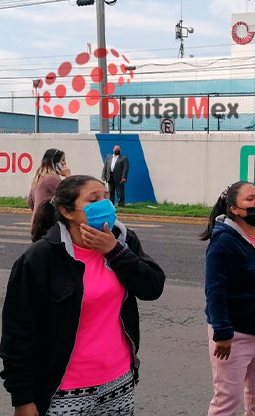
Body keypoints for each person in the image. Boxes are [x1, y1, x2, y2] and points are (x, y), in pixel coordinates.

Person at [1, 175, 165, 416]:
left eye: (106, 197)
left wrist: (115, 252)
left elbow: (153, 287)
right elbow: (18, 334)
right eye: (93, 199)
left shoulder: (123, 240)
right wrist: (23, 399)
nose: (105, 205)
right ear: (68, 212)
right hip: (65, 391)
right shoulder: (41, 257)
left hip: (119, 382)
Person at [200, 181, 255, 416]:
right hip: (234, 335)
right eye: (250, 199)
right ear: (234, 209)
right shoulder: (223, 242)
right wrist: (222, 332)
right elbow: (214, 290)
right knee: (227, 399)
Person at [27, 148, 71, 227]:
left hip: (36, 222)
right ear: (55, 163)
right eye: (63, 160)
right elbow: (69, 195)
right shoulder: (52, 178)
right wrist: (68, 176)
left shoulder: (38, 177)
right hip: (48, 224)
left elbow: (30, 200)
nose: (65, 163)